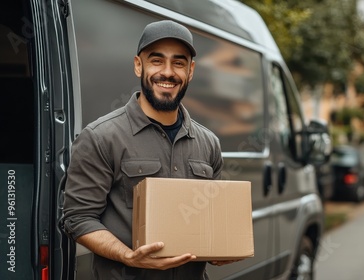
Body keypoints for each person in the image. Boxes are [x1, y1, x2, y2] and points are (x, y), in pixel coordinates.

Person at [62, 20, 236, 279]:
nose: (167, 72)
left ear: (190, 71)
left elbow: (209, 221)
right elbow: (78, 218)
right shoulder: (101, 137)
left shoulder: (208, 143)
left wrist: (219, 250)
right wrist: (128, 257)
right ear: (138, 65)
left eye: (179, 63)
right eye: (156, 61)